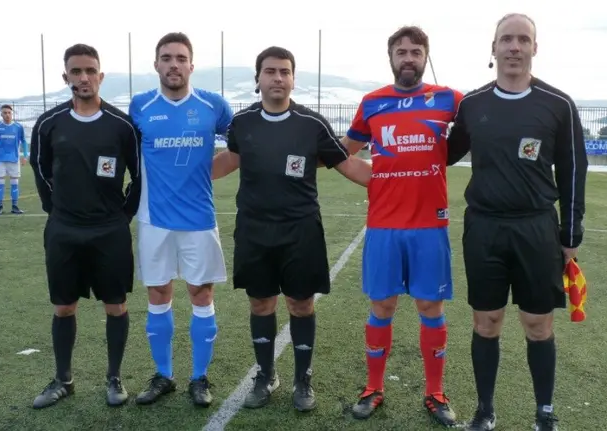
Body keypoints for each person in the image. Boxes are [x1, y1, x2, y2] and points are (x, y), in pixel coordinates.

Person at [446, 13, 588, 431]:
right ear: (493, 48)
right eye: (506, 39)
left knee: (538, 325)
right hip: (484, 229)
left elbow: (573, 170)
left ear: (534, 48)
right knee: (486, 322)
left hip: (537, 230)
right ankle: (485, 410)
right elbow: (444, 154)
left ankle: (544, 414)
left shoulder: (558, 105)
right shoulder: (472, 105)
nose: (514, 47)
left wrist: (570, 233)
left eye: (522, 40)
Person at [211, 46, 372, 412]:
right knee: (260, 302)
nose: (278, 78)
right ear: (258, 79)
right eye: (270, 71)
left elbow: (348, 164)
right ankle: (266, 375)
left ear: (293, 79)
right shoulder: (243, 123)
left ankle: (302, 378)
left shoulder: (312, 124)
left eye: (285, 71)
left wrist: (399, 181)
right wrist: (183, 176)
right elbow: (231, 159)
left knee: (301, 304)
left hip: (301, 232)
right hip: (254, 230)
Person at [338, 25, 465, 427]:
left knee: (430, 307)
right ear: (390, 57)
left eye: (415, 52)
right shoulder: (372, 103)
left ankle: (435, 393)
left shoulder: (450, 99)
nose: (408, 58)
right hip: (384, 225)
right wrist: (374, 178)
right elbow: (342, 153)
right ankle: (373, 388)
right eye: (401, 52)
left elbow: (482, 127)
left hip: (430, 225)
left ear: (425, 57)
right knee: (382, 306)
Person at [29, 43, 142, 409]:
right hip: (64, 229)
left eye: (90, 70)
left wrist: (122, 216)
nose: (84, 77)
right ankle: (63, 380)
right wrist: (56, 210)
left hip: (109, 231)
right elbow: (40, 169)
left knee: (116, 305)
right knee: (64, 307)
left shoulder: (122, 125)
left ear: (101, 76)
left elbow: (138, 176)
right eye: (76, 71)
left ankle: (114, 378)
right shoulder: (49, 123)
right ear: (66, 77)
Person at [129, 32, 233, 408]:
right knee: (158, 294)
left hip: (199, 219)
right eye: (167, 58)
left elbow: (241, 146)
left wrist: (206, 172)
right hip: (153, 219)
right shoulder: (141, 106)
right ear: (156, 64)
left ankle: (199, 378)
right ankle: (164, 375)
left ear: (191, 64)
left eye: (180, 58)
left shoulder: (213, 105)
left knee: (201, 294)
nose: (174, 64)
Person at [0, 104, 27, 215]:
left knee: (15, 183)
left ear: (11, 113)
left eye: (9, 113)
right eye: (5, 113)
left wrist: (25, 156)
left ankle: (15, 206)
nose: (7, 115)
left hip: (14, 159)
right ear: (1, 114)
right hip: (0, 160)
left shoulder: (18, 127)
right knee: (0, 183)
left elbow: (24, 141)